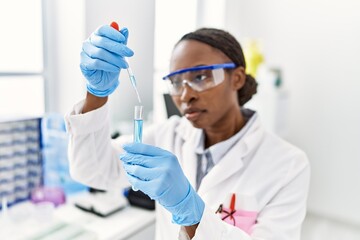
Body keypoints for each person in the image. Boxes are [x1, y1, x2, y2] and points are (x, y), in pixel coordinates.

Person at [64, 24, 310, 240]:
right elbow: (92, 170)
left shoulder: (288, 165)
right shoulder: (167, 135)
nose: (185, 95)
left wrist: (191, 213)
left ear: (236, 78)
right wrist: (97, 94)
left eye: (201, 76)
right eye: (176, 82)